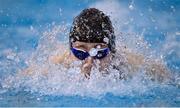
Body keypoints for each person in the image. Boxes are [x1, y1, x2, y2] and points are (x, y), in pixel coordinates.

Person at [21, 8, 171, 81]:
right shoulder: (57, 63)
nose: (89, 63)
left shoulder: (135, 66)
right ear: (70, 51)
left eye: (99, 53)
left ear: (112, 52)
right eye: (80, 53)